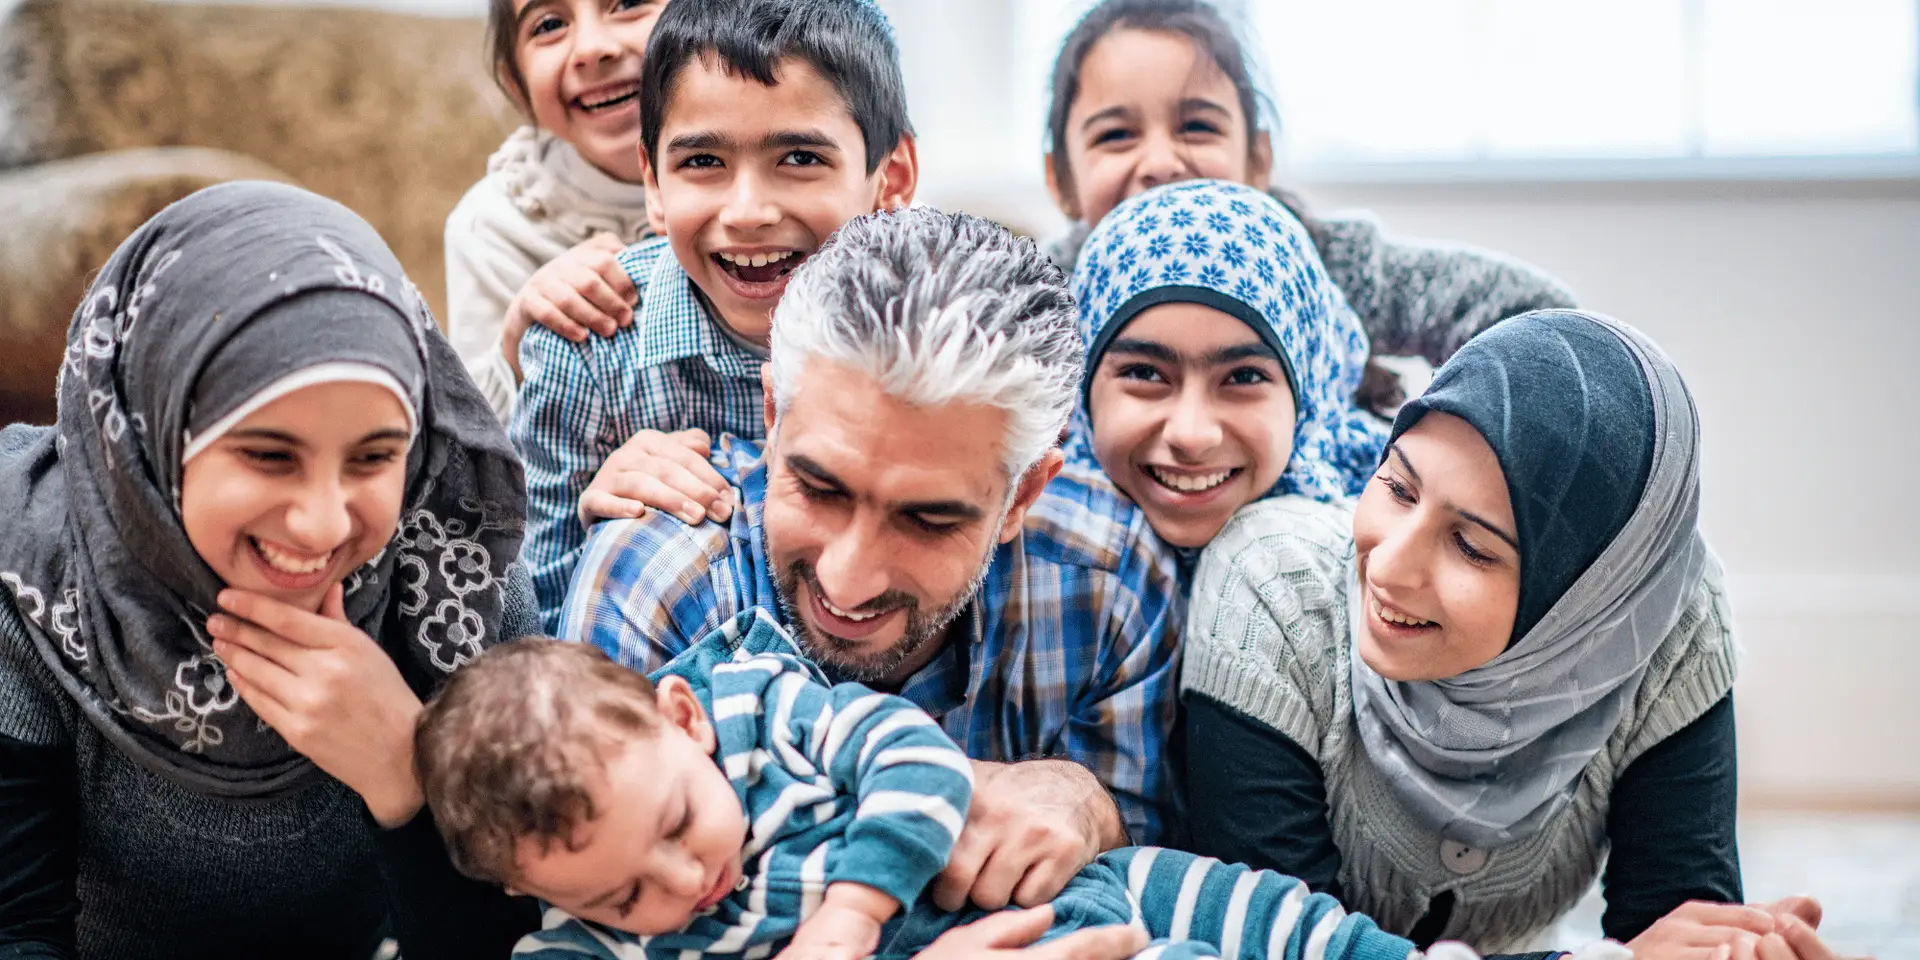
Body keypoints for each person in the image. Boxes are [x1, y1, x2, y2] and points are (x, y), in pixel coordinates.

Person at [559, 207, 1182, 914]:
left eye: (927, 519)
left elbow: (1154, 866)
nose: (845, 578)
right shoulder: (655, 582)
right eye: (820, 489)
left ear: (1022, 495)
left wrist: (1089, 806)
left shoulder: (1108, 577)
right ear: (772, 417)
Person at [1179, 310, 1841, 960]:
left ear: (1589, 596)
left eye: (1470, 545)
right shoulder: (1273, 588)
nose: (1387, 565)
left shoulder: (1663, 622)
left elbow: (1678, 924)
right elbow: (1275, 943)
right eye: (1398, 488)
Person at [0, 182, 540, 957]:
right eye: (268, 454)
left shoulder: (459, 586)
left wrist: (408, 771)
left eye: (374, 456)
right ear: (150, 432)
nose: (322, 522)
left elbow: (527, 933)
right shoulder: (27, 591)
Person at [418, 610, 1435, 960]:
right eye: (622, 896)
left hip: (1085, 875)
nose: (687, 883)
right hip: (1041, 940)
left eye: (681, 822)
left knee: (1273, 913)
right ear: (536, 892)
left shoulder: (760, 713)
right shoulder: (582, 947)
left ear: (681, 719)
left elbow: (910, 758)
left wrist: (852, 914)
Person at [510, 0, 918, 628]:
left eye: (800, 159)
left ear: (890, 179)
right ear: (653, 184)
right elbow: (528, 631)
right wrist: (598, 529)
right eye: (702, 162)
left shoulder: (942, 341)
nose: (748, 211)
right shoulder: (585, 350)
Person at [1041, 0, 1575, 414]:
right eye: (1116, 135)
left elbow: (1536, 318)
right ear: (1061, 180)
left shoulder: (1329, 263)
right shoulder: (1042, 297)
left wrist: (1438, 449)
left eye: (1197, 127)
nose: (1160, 162)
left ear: (1258, 161)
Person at [1067, 178, 1387, 553]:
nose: (1191, 436)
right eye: (1145, 373)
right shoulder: (1021, 539)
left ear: (1309, 397)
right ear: (1079, 384)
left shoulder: (1386, 548)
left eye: (1244, 377)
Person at [445, 0, 670, 420]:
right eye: (549, 24)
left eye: (630, 4)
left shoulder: (793, 165)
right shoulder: (492, 226)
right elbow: (471, 451)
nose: (592, 48)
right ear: (517, 85)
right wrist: (515, 340)